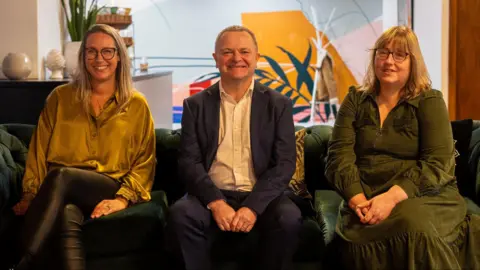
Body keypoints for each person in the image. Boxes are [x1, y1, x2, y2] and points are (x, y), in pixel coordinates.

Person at [325, 25, 480, 269]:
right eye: (383, 53)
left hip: (422, 194)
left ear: (413, 62)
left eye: (400, 54)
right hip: (366, 197)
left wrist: (390, 199)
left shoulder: (430, 100)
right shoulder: (355, 99)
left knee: (414, 226)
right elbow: (338, 157)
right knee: (355, 241)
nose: (389, 61)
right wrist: (357, 200)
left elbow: (438, 163)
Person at [11, 24, 156, 270]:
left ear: (119, 56)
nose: (99, 59)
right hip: (59, 189)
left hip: (105, 183)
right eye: (91, 51)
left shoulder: (136, 105)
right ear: (83, 56)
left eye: (108, 51)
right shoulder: (60, 97)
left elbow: (145, 162)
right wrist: (30, 194)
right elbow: (38, 151)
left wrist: (122, 199)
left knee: (62, 175)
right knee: (68, 213)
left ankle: (22, 262)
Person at [166, 25, 301, 270]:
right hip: (211, 193)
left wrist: (252, 207)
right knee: (181, 214)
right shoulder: (194, 105)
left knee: (289, 219)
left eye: (244, 51)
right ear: (216, 59)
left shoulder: (278, 104)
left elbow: (284, 164)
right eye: (227, 52)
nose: (236, 58)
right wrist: (216, 203)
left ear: (257, 58)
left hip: (261, 194)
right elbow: (189, 162)